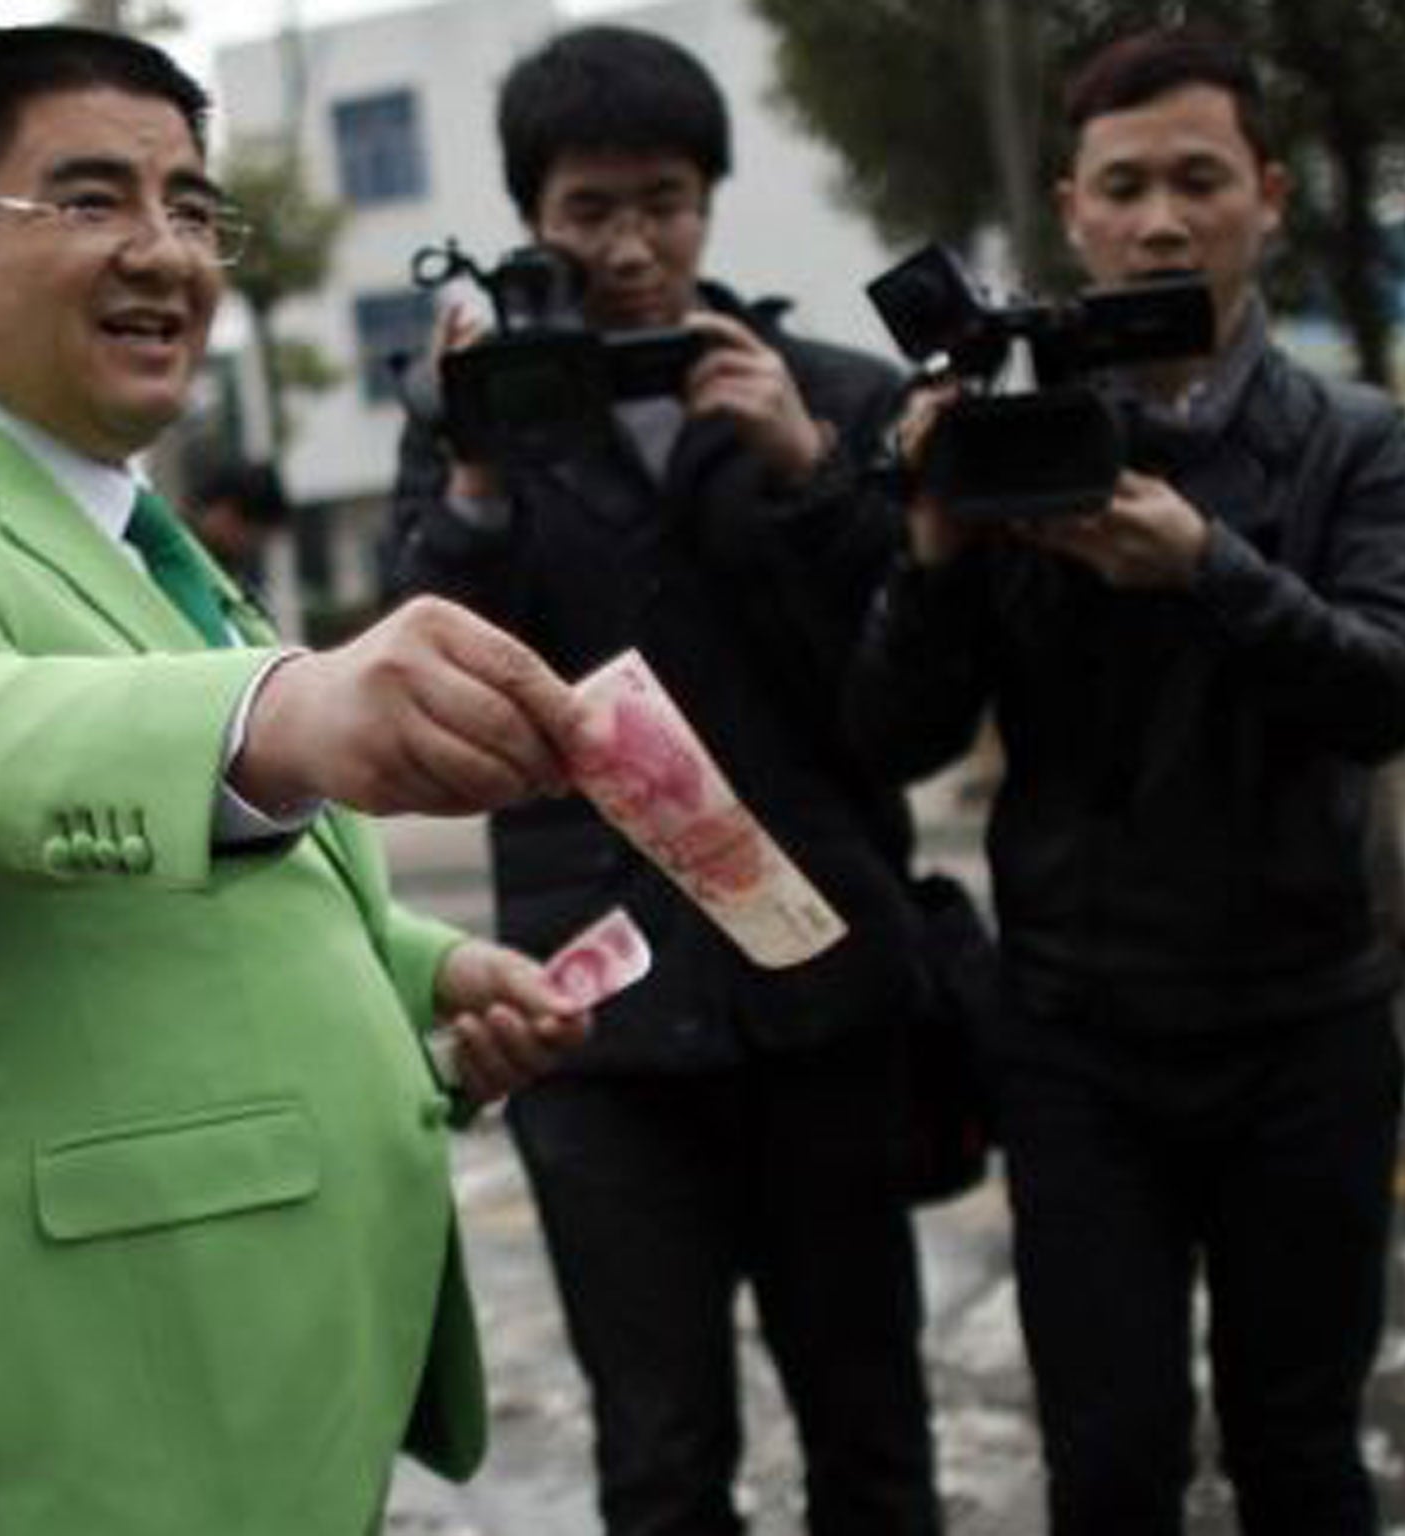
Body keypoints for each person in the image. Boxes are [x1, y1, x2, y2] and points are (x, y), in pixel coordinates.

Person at [0, 26, 595, 1536]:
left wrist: (426, 976)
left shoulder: (138, 545)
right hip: (111, 1389)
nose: (166, 253)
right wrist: (288, 709)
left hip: (278, 1356)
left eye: (192, 207)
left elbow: (198, 908)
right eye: (95, 200)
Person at [848, 24, 1405, 1536]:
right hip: (1078, 1040)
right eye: (1126, 186)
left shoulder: (1353, 441)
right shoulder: (1007, 437)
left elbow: (1384, 695)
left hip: (1305, 1022)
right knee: (1107, 1465)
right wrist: (929, 552)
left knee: (1302, 1452)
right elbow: (898, 735)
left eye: (1199, 179)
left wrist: (1211, 567)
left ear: (1270, 194)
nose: (1162, 220)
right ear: (1073, 208)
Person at [385, 26, 942, 1536]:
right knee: (660, 1455)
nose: (632, 245)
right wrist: (481, 474)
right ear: (532, 217)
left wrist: (814, 467)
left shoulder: (829, 390)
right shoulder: (464, 426)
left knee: (874, 1433)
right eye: (588, 211)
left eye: (665, 202)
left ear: (710, 198)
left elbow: (912, 702)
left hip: (820, 994)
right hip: (600, 1028)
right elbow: (428, 689)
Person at [188, 456, 290, 588]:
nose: (246, 547)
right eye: (252, 535)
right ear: (227, 511)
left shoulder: (225, 576)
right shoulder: (171, 552)